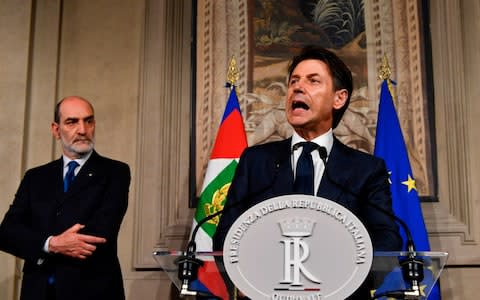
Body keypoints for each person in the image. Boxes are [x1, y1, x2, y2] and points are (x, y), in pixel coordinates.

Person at [212, 46, 402, 299]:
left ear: (339, 98)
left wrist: (336, 283)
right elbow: (226, 237)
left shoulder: (366, 170)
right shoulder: (255, 161)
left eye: (313, 81)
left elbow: (385, 243)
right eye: (294, 81)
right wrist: (257, 282)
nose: (297, 88)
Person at [0, 96, 130, 300]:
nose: (82, 130)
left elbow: (99, 233)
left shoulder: (115, 172)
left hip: (91, 291)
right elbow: (7, 232)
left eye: (88, 121)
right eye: (72, 122)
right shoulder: (35, 177)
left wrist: (36, 239)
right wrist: (51, 243)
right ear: (56, 129)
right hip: (38, 291)